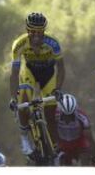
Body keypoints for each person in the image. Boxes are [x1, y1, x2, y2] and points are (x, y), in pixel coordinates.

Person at [9, 12, 65, 156]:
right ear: (27, 31)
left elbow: (61, 68)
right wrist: (13, 97)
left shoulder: (53, 43)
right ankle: (24, 138)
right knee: (24, 101)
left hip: (49, 74)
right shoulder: (19, 44)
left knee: (50, 114)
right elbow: (14, 73)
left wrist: (58, 89)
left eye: (40, 31)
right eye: (32, 31)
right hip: (30, 73)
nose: (36, 35)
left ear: (44, 31)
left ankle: (55, 148)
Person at [55, 94, 95, 166]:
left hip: (78, 143)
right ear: (61, 111)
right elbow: (50, 131)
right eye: (65, 115)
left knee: (85, 158)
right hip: (62, 143)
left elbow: (90, 140)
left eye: (71, 115)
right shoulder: (55, 116)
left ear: (75, 110)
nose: (68, 118)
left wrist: (94, 158)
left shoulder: (82, 118)